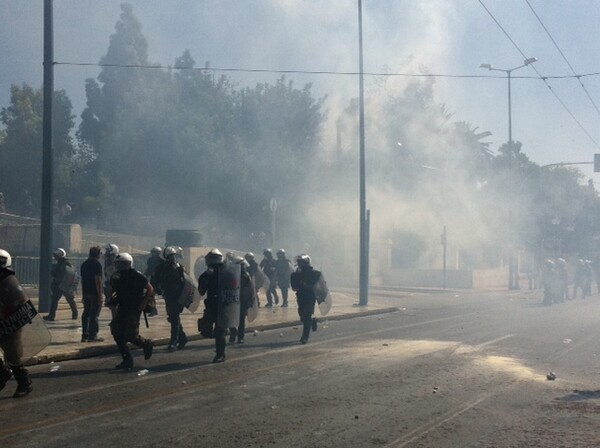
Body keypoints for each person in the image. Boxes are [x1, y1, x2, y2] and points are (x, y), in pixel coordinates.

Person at [109, 252, 154, 370]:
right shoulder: (116, 276)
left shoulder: (137, 275)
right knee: (117, 333)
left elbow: (150, 289)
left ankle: (146, 344)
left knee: (130, 335)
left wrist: (144, 303)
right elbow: (114, 291)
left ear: (128, 264)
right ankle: (127, 360)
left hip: (134, 308)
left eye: (121, 264)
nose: (118, 266)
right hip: (123, 307)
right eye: (117, 264)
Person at [0, 249, 33, 398]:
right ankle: (2, 373)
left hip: (9, 322)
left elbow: (18, 302)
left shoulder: (8, 279)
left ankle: (24, 382)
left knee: (12, 354)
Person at [198, 249, 240, 363]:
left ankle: (220, 354)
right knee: (205, 330)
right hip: (211, 305)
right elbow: (201, 291)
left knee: (219, 331)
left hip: (224, 305)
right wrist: (206, 276)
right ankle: (220, 337)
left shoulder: (228, 272)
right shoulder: (207, 274)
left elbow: (235, 288)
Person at [153, 246, 188, 351]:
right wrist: (158, 289)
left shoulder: (179, 267)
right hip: (168, 295)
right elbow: (155, 280)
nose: (173, 258)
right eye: (171, 256)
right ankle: (182, 338)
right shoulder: (160, 268)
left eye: (174, 256)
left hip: (178, 296)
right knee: (173, 318)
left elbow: (186, 282)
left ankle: (174, 341)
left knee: (175, 317)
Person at [290, 254, 323, 344]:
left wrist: (307, 285)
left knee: (307, 315)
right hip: (301, 296)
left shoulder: (313, 273)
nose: (300, 264)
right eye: (299, 262)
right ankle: (313, 321)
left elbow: (319, 286)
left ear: (306, 263)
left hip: (310, 296)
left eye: (302, 262)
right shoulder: (296, 274)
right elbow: (294, 287)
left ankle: (305, 337)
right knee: (302, 315)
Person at [44, 248, 78, 321]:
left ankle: (52, 316)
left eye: (56, 255)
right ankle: (75, 314)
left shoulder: (62, 263)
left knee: (56, 300)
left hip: (61, 284)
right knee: (68, 300)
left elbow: (58, 274)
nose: (55, 256)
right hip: (63, 285)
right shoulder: (65, 263)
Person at [229, 256, 256, 344]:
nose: (243, 267)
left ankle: (241, 337)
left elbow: (251, 289)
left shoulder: (246, 276)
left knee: (241, 320)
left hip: (243, 301)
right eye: (242, 265)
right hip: (233, 300)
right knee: (230, 319)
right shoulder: (230, 275)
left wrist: (251, 301)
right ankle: (233, 333)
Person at [80, 246, 104, 342]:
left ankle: (84, 335)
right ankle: (93, 335)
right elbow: (98, 280)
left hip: (86, 292)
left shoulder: (84, 264)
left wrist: (82, 294)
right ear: (97, 254)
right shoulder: (97, 265)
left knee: (86, 313)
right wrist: (100, 295)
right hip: (94, 292)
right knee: (94, 314)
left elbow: (82, 280)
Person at [144, 246, 162, 317]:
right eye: (152, 252)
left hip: (160, 281)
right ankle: (153, 310)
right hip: (153, 280)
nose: (153, 254)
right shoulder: (150, 260)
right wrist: (145, 275)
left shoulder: (161, 261)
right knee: (151, 296)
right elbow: (149, 269)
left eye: (154, 252)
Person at [103, 243, 119, 316]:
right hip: (109, 281)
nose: (106, 252)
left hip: (115, 283)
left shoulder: (115, 259)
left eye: (108, 250)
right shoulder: (108, 259)